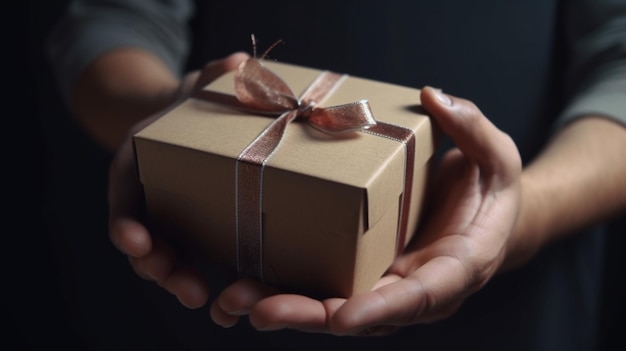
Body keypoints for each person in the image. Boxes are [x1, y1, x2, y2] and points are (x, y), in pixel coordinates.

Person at [43, 0, 626, 349]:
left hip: (515, 308)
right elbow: (112, 19)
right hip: (197, 295)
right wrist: (159, 117)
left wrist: (527, 207)